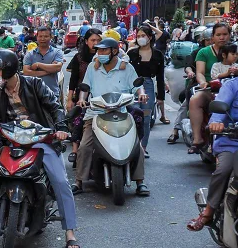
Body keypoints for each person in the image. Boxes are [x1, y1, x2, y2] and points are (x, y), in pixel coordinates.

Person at [0, 49, 79, 248]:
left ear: (8, 69)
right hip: (13, 143)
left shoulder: (35, 84)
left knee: (61, 181)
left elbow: (55, 107)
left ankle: (70, 232)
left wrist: (62, 128)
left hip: (42, 139)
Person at [74, 37, 150, 196]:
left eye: (103, 50)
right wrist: (81, 99)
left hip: (121, 112)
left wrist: (142, 94)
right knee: (84, 146)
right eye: (98, 50)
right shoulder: (92, 67)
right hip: (96, 113)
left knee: (137, 146)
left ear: (114, 51)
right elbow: (85, 87)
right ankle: (79, 182)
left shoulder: (126, 67)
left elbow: (137, 86)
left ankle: (140, 182)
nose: (100, 53)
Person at [188, 74, 238, 231]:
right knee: (224, 170)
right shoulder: (232, 85)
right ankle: (208, 212)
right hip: (231, 142)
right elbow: (220, 105)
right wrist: (216, 122)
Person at [188, 21, 232, 153]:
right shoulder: (204, 52)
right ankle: (197, 139)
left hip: (233, 91)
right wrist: (203, 82)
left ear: (230, 35)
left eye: (225, 34)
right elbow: (200, 73)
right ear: (212, 37)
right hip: (211, 89)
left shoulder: (234, 50)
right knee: (195, 100)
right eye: (218, 34)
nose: (222, 37)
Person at [128, 24, 166, 155]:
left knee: (146, 117)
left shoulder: (158, 55)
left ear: (150, 37)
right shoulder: (131, 53)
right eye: (138, 36)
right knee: (131, 116)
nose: (140, 38)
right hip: (131, 86)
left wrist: (161, 97)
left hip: (148, 85)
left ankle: (143, 147)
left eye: (143, 36)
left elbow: (160, 77)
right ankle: (131, 146)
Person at [65, 29, 102, 164]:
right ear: (86, 42)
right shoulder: (78, 58)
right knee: (78, 121)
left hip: (101, 94)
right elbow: (73, 80)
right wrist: (70, 99)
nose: (96, 43)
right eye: (93, 40)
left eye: (99, 40)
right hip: (82, 95)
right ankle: (75, 150)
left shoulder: (107, 56)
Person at [22, 26, 63, 97]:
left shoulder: (57, 52)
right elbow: (26, 72)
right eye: (40, 36)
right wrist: (49, 70)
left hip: (52, 94)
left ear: (51, 37)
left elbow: (58, 68)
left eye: (46, 36)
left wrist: (38, 65)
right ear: (37, 37)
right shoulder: (30, 54)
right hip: (34, 95)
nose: (43, 39)